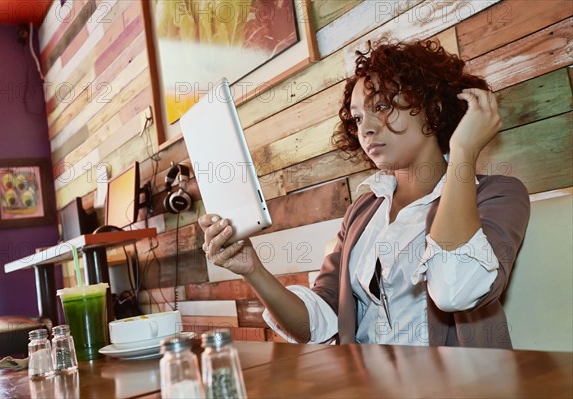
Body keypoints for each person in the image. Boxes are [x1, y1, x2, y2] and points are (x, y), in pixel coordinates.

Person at [198, 37, 531, 348]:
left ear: (434, 109)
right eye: (357, 118)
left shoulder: (496, 194)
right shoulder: (363, 210)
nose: (366, 128)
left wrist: (462, 153)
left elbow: (456, 291)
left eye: (382, 107)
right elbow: (315, 323)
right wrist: (252, 269)